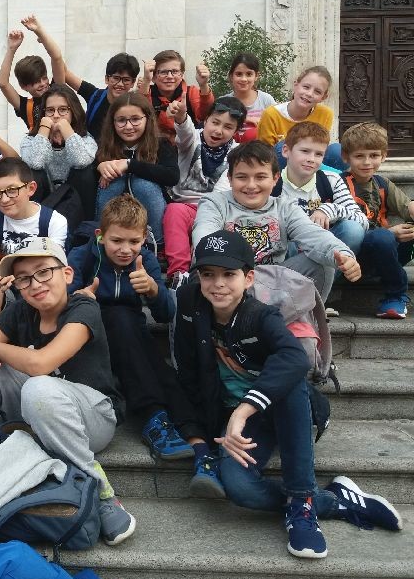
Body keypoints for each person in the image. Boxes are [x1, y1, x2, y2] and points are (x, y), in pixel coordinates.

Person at [172, 229, 403, 559]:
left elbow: (295, 357)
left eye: (228, 274)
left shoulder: (260, 314)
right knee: (239, 488)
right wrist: (201, 440)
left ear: (248, 278)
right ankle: (330, 501)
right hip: (241, 420)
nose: (218, 284)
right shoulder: (190, 305)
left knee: (289, 373)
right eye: (208, 274)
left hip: (284, 406)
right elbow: (187, 374)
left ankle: (302, 504)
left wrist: (243, 410)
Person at [0, 237, 135, 547]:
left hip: (92, 416)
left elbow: (41, 363)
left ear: (66, 274)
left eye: (43, 272)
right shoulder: (21, 311)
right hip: (40, 411)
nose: (35, 284)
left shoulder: (83, 307)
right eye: (24, 278)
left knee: (38, 385)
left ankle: (99, 490)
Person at [68, 196, 194, 461]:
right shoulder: (82, 257)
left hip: (132, 335)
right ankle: (152, 416)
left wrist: (153, 290)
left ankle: (196, 437)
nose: (126, 250)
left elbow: (165, 315)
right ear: (101, 235)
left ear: (144, 238)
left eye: (134, 242)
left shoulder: (145, 260)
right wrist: (79, 298)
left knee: (162, 371)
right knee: (119, 317)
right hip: (90, 335)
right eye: (117, 241)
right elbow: (61, 304)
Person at [192, 141, 361, 302]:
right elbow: (205, 239)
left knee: (324, 264)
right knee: (204, 269)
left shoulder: (285, 207)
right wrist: (235, 276)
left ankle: (304, 318)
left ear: (275, 178)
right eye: (242, 177)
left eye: (260, 177)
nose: (251, 185)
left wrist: (343, 255)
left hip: (271, 281)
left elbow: (313, 235)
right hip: (225, 278)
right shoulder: (214, 203)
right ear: (230, 179)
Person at [163, 96, 246, 288]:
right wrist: (181, 116)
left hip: (215, 208)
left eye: (228, 127)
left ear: (236, 131)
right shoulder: (193, 139)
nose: (218, 130)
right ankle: (179, 274)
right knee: (174, 212)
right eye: (215, 122)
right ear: (206, 120)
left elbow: (221, 192)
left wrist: (207, 214)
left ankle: (203, 268)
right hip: (183, 206)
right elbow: (184, 131)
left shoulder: (237, 153)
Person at [339, 122, 414, 318]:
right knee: (382, 237)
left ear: (383, 156)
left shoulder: (382, 183)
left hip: (383, 250)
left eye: (373, 155)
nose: (367, 162)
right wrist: (390, 233)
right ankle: (396, 295)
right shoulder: (337, 183)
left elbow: (407, 208)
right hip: (354, 256)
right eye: (359, 156)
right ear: (346, 157)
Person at [95, 92, 178, 248]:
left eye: (135, 119)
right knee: (112, 182)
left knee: (143, 184)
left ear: (147, 119)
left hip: (150, 211)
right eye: (121, 120)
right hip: (116, 212)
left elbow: (172, 176)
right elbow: (90, 174)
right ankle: (103, 240)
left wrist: (130, 164)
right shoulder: (105, 146)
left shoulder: (161, 144)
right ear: (112, 122)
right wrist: (100, 167)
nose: (128, 126)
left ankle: (156, 245)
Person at [276, 122, 368, 261]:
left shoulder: (331, 180)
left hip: (325, 252)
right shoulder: (272, 183)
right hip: (289, 252)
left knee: (353, 229)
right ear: (286, 151)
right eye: (305, 151)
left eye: (318, 154)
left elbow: (363, 221)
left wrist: (329, 209)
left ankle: (330, 272)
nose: (311, 159)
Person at [0, 157, 69, 266]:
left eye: (12, 190)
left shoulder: (55, 221)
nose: (4, 199)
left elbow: (51, 266)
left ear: (31, 188)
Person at [257, 65, 342, 170]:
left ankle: (343, 180)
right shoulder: (271, 114)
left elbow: (320, 146)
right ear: (296, 85)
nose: (309, 94)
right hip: (280, 167)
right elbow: (264, 153)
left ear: (323, 97)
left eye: (317, 92)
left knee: (337, 151)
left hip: (312, 161)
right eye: (306, 87)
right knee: (286, 146)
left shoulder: (325, 114)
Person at [0, 15, 67, 133]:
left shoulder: (58, 90)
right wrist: (11, 49)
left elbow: (57, 57)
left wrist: (39, 32)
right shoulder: (26, 106)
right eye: (36, 82)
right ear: (24, 86)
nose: (43, 84)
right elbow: (3, 83)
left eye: (44, 78)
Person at [20, 82, 98, 187]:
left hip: (75, 194)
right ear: (43, 113)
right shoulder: (29, 141)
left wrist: (66, 130)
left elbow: (81, 161)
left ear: (73, 111)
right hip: (44, 195)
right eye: (50, 110)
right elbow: (36, 163)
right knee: (35, 173)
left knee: (84, 172)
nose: (56, 115)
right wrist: (44, 129)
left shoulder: (86, 139)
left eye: (63, 109)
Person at [60, 52, 140, 142]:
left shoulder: (135, 106)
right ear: (107, 79)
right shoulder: (95, 96)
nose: (120, 84)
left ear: (133, 83)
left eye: (126, 80)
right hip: (90, 149)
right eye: (116, 78)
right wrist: (55, 54)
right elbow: (64, 72)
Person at [139, 50, 214, 143]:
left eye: (174, 71)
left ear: (181, 75)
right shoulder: (146, 93)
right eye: (163, 72)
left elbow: (205, 116)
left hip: (188, 146)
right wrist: (146, 80)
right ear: (153, 77)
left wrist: (203, 85)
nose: (170, 76)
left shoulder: (190, 92)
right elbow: (140, 112)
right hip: (153, 146)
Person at [226, 53, 276, 143]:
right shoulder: (224, 102)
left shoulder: (266, 100)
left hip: (260, 149)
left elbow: (276, 126)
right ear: (231, 76)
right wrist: (244, 118)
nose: (244, 79)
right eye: (239, 74)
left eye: (249, 74)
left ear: (256, 76)